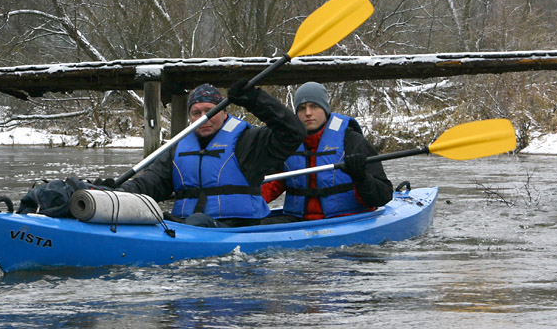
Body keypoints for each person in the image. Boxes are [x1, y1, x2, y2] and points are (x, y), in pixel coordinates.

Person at [112, 80, 306, 227]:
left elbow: (293, 132)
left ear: (224, 113)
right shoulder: (178, 148)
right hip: (189, 225)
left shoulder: (248, 141)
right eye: (196, 113)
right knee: (165, 219)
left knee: (198, 221)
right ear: (190, 117)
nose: (203, 118)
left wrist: (255, 100)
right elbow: (150, 183)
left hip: (239, 226)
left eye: (210, 111)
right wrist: (116, 192)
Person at [261, 81, 392, 221]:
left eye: (314, 106)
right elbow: (270, 187)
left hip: (347, 219)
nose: (308, 113)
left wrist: (362, 178)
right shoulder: (288, 144)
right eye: (302, 108)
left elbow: (383, 196)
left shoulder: (352, 140)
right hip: (299, 221)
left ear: (325, 110)